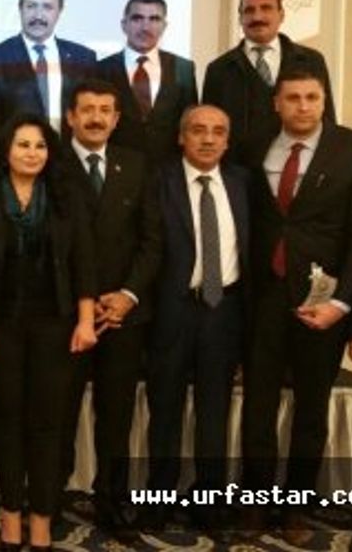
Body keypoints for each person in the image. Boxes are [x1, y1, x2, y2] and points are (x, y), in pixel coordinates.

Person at [238, 68, 352, 543]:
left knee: (311, 411)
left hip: (324, 303)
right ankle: (256, 502)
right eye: (292, 97)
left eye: (311, 97)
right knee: (257, 407)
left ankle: (296, 507)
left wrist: (343, 303)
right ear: (276, 103)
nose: (302, 106)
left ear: (323, 100)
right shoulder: (252, 146)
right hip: (263, 299)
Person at [0, 112, 97, 552]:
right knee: (7, 422)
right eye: (23, 144)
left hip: (55, 326)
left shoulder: (65, 198)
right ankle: (10, 516)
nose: (32, 153)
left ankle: (41, 518)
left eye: (40, 146)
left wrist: (86, 321)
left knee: (47, 425)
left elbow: (83, 265)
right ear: (6, 151)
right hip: (0, 326)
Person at [57, 80, 161, 543]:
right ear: (70, 117)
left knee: (116, 415)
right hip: (65, 316)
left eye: (105, 110)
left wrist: (127, 295)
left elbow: (153, 240)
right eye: (87, 109)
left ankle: (112, 501)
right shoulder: (50, 164)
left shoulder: (137, 165)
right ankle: (51, 498)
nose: (96, 117)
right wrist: (81, 300)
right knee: (59, 413)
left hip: (123, 316)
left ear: (117, 119)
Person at [144, 104, 248, 538]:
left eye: (218, 131)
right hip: (173, 309)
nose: (208, 139)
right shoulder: (159, 180)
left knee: (214, 413)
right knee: (164, 410)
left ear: (227, 140)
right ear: (181, 137)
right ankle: (159, 499)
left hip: (224, 311)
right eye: (199, 130)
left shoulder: (244, 182)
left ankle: (210, 505)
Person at [0, 0, 98, 176]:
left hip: (71, 171)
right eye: (31, 6)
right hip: (15, 171)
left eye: (47, 7)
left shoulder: (83, 59)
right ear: (20, 8)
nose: (38, 15)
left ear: (59, 12)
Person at [202, 0, 335, 160]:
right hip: (240, 170)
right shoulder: (219, 70)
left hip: (299, 165)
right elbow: (209, 126)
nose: (257, 17)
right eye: (249, 10)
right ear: (240, 19)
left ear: (281, 15)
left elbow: (326, 118)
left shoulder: (311, 61)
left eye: (266, 8)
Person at [96, 0, 198, 163]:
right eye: (137, 18)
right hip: (117, 167)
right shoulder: (102, 69)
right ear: (124, 25)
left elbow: (190, 122)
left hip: (169, 168)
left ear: (164, 26)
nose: (145, 27)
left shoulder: (183, 68)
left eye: (154, 19)